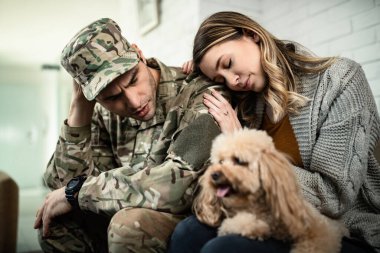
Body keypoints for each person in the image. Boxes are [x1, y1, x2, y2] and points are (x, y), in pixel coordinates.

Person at [168, 11, 380, 253]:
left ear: (251, 35)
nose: (232, 80)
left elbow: (334, 200)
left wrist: (246, 144)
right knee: (187, 233)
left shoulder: (340, 80)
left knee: (225, 249)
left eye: (228, 64)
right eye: (221, 78)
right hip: (270, 216)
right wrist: (198, 77)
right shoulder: (251, 102)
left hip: (345, 229)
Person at [33, 18, 227, 253]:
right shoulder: (102, 113)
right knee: (54, 224)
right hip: (121, 213)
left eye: (134, 79)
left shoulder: (199, 93)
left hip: (185, 216)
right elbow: (60, 188)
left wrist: (80, 191)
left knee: (127, 224)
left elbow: (179, 185)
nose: (134, 101)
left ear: (138, 53)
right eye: (112, 97)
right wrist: (79, 108)